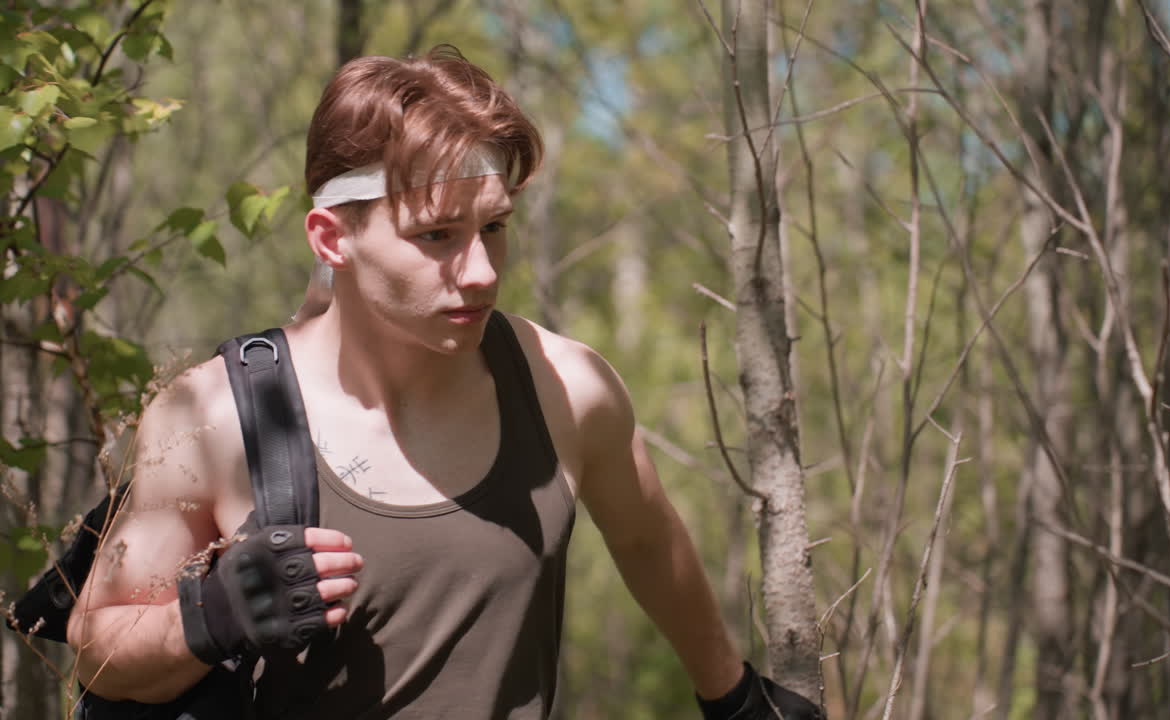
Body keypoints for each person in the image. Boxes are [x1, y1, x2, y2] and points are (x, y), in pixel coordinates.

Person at [67, 45, 822, 720]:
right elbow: (96, 653)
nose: (483, 272)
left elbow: (646, 540)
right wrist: (208, 617)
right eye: (436, 237)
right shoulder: (214, 418)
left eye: (493, 227)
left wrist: (735, 698)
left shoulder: (569, 390)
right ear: (334, 238)